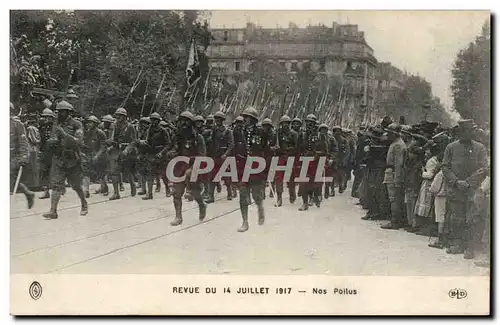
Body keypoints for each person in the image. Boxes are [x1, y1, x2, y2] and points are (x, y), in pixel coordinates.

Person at [441, 119, 488, 256]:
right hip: (455, 189)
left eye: (469, 130)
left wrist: (468, 182)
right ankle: (457, 244)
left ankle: (470, 247)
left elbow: (483, 168)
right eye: (463, 131)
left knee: (472, 218)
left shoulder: (480, 148)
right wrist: (456, 181)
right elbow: (445, 166)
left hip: (472, 190)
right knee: (456, 218)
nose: (466, 133)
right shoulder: (451, 147)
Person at [42, 101, 86, 219]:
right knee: (56, 185)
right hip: (59, 158)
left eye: (62, 111)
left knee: (76, 185)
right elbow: (53, 138)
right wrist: (51, 141)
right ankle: (53, 211)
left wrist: (64, 134)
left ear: (68, 112)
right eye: (58, 111)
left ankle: (84, 203)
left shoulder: (77, 124)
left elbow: (79, 142)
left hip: (72, 159)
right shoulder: (56, 124)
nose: (59, 113)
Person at [166, 111, 206, 226]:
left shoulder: (198, 138)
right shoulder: (177, 136)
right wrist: (171, 153)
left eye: (186, 121)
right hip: (179, 167)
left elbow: (202, 156)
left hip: (193, 167)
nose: (183, 123)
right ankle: (178, 216)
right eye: (181, 121)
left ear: (191, 123)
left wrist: (191, 161)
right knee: (176, 193)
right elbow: (173, 148)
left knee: (196, 193)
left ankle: (201, 205)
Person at [234, 107, 269, 232]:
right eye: (244, 117)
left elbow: (264, 149)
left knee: (256, 195)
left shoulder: (261, 132)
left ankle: (260, 208)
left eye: (247, 117)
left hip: (255, 167)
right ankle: (245, 222)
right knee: (243, 195)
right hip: (243, 167)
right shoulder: (239, 132)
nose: (244, 119)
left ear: (253, 119)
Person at [297, 114, 329, 211]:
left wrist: (317, 154)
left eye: (311, 123)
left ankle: (316, 197)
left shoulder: (320, 135)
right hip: (305, 160)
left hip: (316, 161)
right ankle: (305, 203)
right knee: (303, 183)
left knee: (316, 182)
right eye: (307, 122)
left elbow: (325, 151)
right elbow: (298, 148)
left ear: (315, 124)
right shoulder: (302, 134)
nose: (308, 125)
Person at [107, 108, 137, 200]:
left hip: (126, 150)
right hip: (116, 150)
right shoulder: (114, 126)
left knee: (128, 171)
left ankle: (133, 185)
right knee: (114, 172)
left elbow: (134, 141)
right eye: (117, 115)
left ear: (124, 117)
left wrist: (127, 150)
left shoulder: (130, 127)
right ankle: (116, 193)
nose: (118, 117)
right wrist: (109, 144)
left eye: (120, 115)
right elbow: (111, 138)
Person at [381, 123, 407, 229]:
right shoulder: (396, 143)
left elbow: (398, 164)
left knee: (394, 198)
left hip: (394, 173)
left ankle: (395, 221)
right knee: (394, 198)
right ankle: (396, 220)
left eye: (390, 133)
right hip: (392, 172)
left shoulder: (398, 145)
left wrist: (397, 179)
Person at [10, 102, 35, 209]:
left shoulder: (17, 124)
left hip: (13, 156)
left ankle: (27, 193)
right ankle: (28, 193)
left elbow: (23, 141)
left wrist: (24, 157)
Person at [140, 112, 170, 200]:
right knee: (150, 174)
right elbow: (147, 141)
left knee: (163, 174)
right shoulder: (148, 130)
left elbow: (168, 144)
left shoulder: (163, 130)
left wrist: (162, 152)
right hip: (151, 153)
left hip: (160, 154)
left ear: (158, 121)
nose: (153, 122)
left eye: (155, 120)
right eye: (152, 120)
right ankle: (149, 194)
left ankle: (167, 189)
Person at [271, 115, 299, 206]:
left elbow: (296, 148)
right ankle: (279, 198)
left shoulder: (293, 134)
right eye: (283, 123)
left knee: (290, 178)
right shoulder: (277, 133)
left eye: (287, 123)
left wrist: (287, 149)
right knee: (278, 178)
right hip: (280, 158)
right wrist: (274, 148)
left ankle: (292, 194)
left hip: (290, 158)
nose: (285, 125)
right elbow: (272, 144)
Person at [209, 111, 234, 202]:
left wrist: (226, 154)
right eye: (216, 119)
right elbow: (211, 142)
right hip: (215, 155)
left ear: (222, 120)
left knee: (226, 175)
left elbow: (231, 145)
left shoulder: (228, 131)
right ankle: (211, 196)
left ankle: (229, 192)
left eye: (219, 119)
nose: (217, 121)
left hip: (224, 156)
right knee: (212, 175)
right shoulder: (214, 130)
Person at [81, 115, 107, 198]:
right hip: (89, 155)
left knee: (101, 174)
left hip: (100, 156)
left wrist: (97, 155)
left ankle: (104, 187)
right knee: (86, 173)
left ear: (95, 124)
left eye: (91, 123)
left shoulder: (100, 133)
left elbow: (103, 146)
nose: (88, 124)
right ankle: (86, 191)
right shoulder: (86, 132)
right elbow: (84, 143)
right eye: (88, 122)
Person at [38, 108, 56, 199]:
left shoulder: (56, 127)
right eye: (44, 117)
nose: (45, 119)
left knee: (54, 172)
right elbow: (41, 140)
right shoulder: (42, 127)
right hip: (45, 152)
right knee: (44, 171)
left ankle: (55, 192)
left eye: (47, 117)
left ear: (52, 118)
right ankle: (45, 191)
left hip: (54, 152)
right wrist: (40, 150)